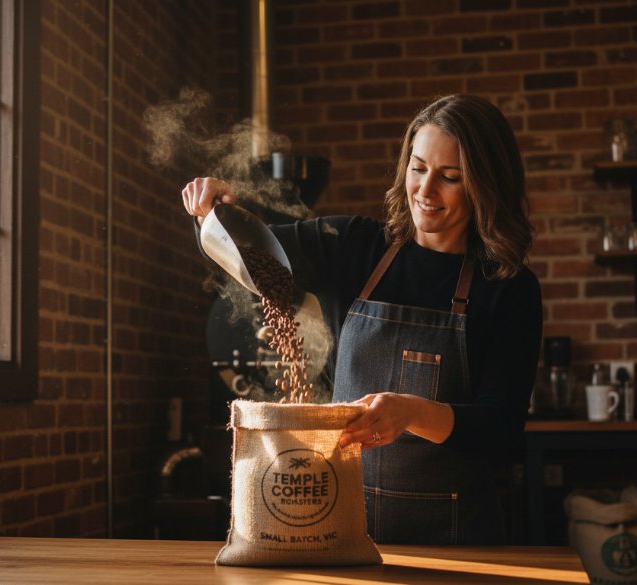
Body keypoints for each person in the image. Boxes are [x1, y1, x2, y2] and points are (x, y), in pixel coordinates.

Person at [182, 94, 542, 545]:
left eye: (450, 177)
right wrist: (215, 213)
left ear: (486, 186)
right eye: (418, 168)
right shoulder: (355, 246)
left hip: (457, 542)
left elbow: (501, 431)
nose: (425, 192)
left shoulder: (507, 286)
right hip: (344, 532)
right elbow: (251, 254)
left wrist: (411, 412)